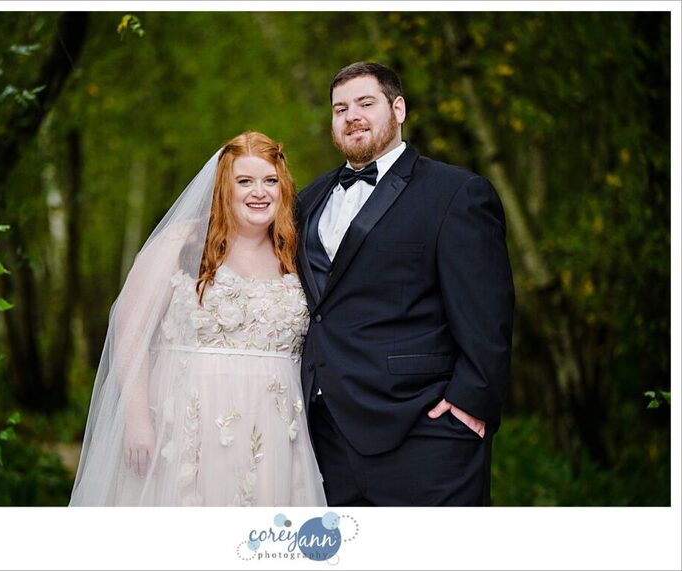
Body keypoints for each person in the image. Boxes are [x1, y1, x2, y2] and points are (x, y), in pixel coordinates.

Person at [296, 62, 515, 506]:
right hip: (324, 435)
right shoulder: (308, 199)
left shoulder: (457, 193)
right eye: (340, 108)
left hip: (425, 431)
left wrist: (471, 404)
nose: (351, 115)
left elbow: (487, 313)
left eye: (365, 103)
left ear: (398, 109)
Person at [70, 131, 326, 506]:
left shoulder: (295, 254)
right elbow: (130, 329)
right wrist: (138, 417)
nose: (260, 192)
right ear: (223, 188)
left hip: (273, 435)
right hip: (188, 429)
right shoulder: (182, 243)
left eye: (270, 181)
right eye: (245, 181)